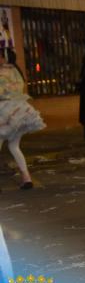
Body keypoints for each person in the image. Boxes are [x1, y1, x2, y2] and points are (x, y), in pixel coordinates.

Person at [0, 47, 45, 190]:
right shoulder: (16, 71)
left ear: (4, 58)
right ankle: (27, 178)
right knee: (14, 146)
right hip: (20, 111)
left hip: (5, 111)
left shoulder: (2, 72)